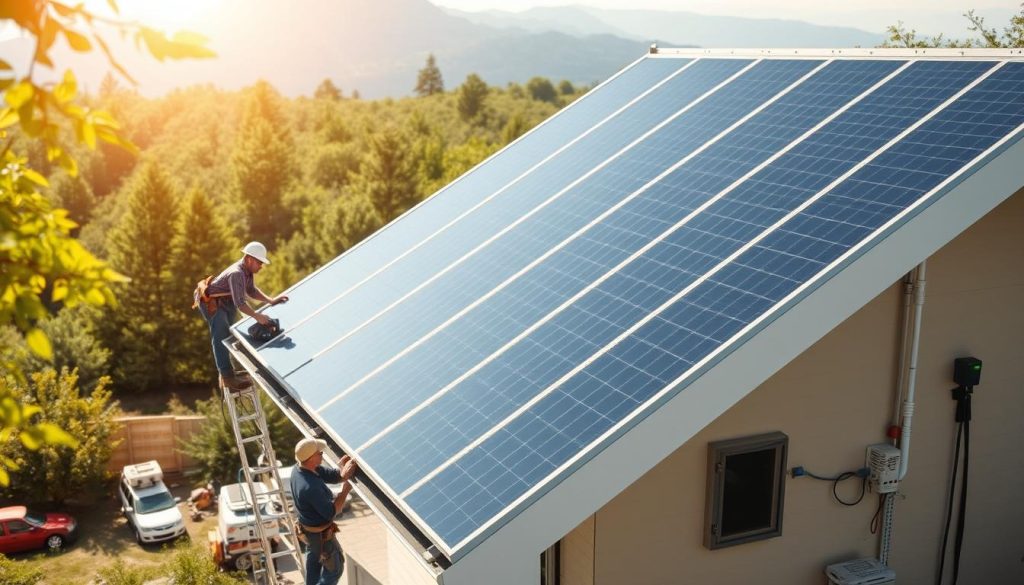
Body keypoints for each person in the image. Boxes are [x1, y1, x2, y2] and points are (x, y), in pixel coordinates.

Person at [194, 241, 288, 390]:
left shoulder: (248, 272)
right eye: (259, 262)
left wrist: (270, 300)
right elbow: (241, 304)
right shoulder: (237, 273)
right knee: (221, 335)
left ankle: (231, 372)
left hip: (226, 300)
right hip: (212, 302)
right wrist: (258, 316)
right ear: (249, 259)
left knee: (236, 332)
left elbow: (251, 291)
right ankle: (227, 378)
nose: (261, 266)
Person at [291, 438, 358, 585]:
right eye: (320, 453)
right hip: (320, 535)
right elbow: (332, 512)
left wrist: (342, 472)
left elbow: (328, 475)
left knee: (314, 565)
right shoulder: (310, 487)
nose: (322, 455)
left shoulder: (300, 469)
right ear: (311, 458)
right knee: (335, 569)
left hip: (309, 532)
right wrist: (345, 490)